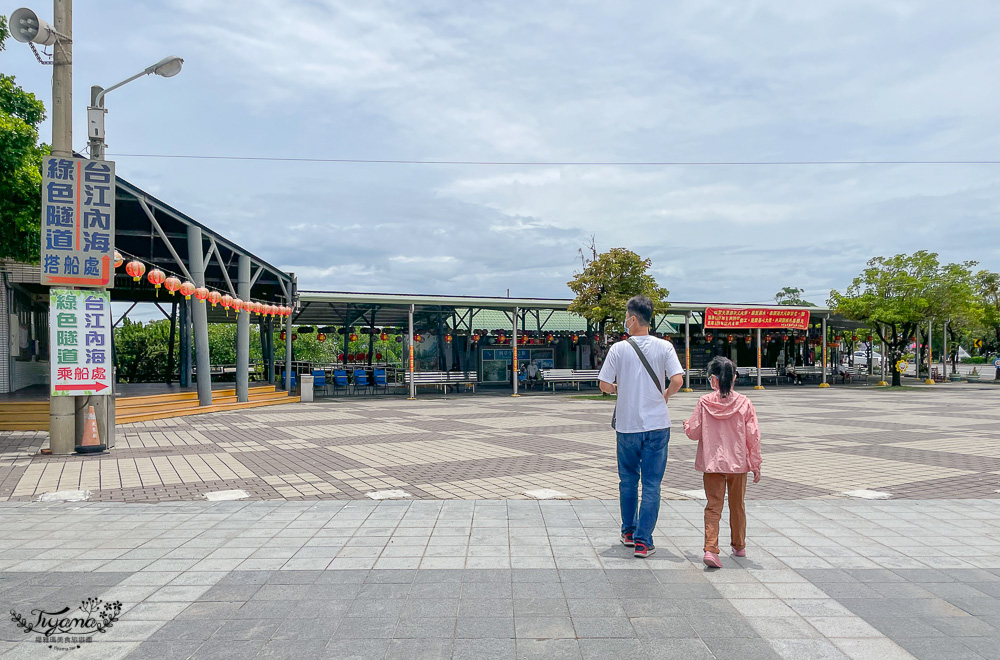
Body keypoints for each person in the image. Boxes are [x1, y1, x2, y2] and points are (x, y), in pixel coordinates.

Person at [599, 295, 685, 558]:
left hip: (627, 427)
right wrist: (665, 396)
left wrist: (619, 389)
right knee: (651, 484)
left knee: (627, 480)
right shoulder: (665, 347)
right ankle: (643, 542)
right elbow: (678, 379)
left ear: (633, 319)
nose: (625, 321)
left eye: (626, 316)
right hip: (657, 425)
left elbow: (603, 385)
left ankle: (628, 531)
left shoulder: (618, 349)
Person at [683, 356, 762, 569]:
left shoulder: (704, 402)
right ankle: (739, 545)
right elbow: (753, 435)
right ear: (734, 378)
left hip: (712, 463)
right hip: (738, 464)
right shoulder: (745, 403)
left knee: (713, 507)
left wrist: (686, 426)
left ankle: (711, 549)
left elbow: (694, 432)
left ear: (713, 379)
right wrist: (755, 464)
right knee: (737, 505)